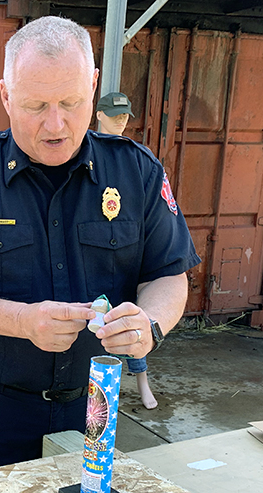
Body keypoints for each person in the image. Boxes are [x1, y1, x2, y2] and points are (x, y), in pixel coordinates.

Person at [0, 16, 200, 468]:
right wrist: (22, 321)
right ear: (5, 95)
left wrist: (152, 325)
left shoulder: (136, 172)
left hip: (95, 406)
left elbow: (168, 273)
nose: (55, 123)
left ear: (94, 85)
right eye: (35, 105)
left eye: (70, 101)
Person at [95, 91, 158, 410]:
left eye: (124, 115)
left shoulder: (138, 160)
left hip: (124, 252)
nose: (120, 120)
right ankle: (106, 391)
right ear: (99, 115)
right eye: (114, 114)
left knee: (135, 328)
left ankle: (143, 383)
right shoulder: (83, 150)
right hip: (95, 250)